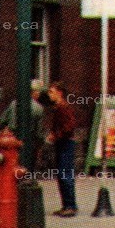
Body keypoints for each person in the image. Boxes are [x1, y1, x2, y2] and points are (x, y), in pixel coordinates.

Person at [46, 81, 79, 217]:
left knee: (65, 174)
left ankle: (70, 206)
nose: (49, 95)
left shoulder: (64, 108)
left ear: (59, 93)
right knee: (62, 174)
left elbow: (69, 126)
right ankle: (66, 205)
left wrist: (55, 135)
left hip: (66, 143)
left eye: (51, 92)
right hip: (62, 143)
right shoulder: (58, 107)